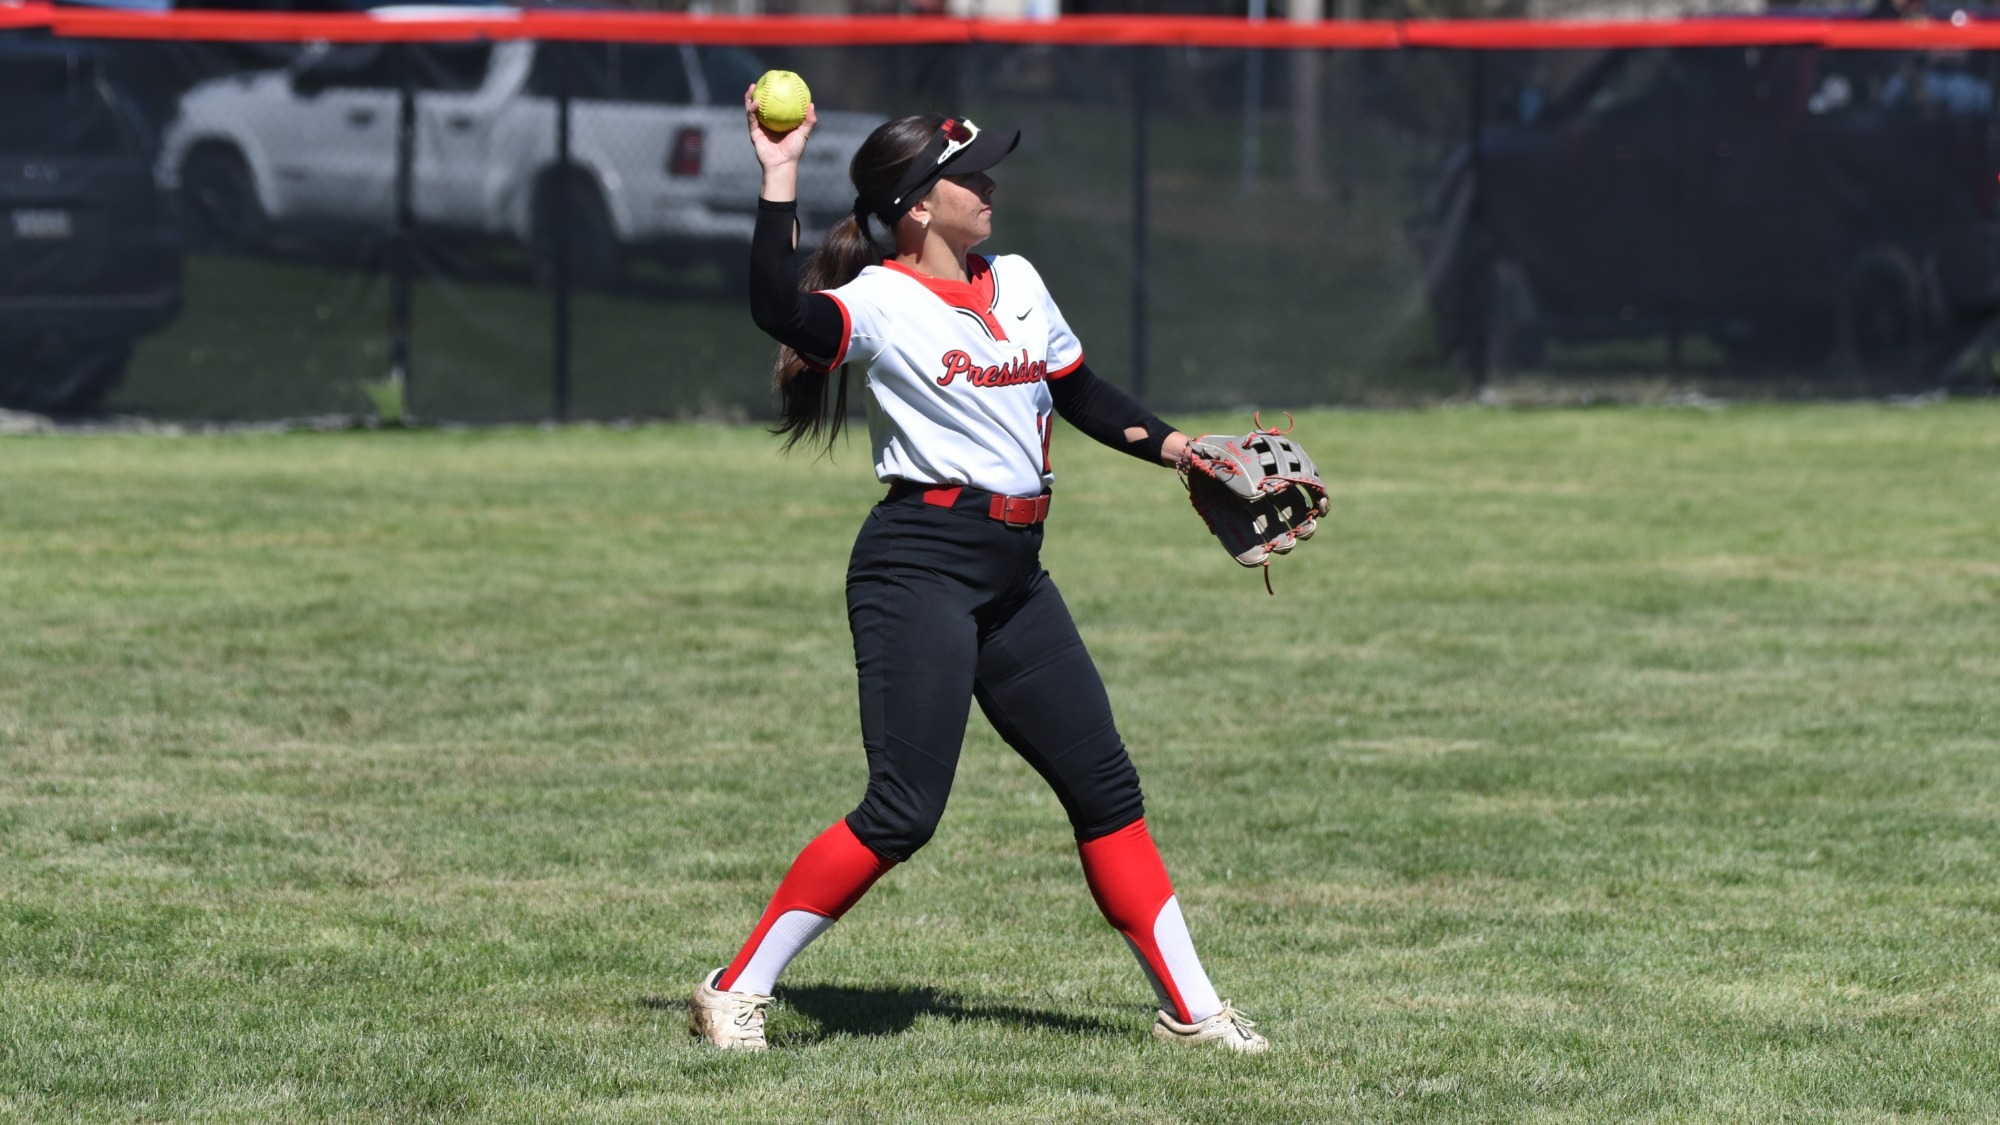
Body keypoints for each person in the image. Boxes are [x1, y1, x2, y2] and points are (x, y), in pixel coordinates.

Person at [685, 92, 1269, 1055]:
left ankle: (1196, 1012)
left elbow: (1077, 390)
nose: (990, 185)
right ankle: (737, 986)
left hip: (1015, 574)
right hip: (919, 565)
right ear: (918, 206)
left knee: (1105, 788)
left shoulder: (1022, 280)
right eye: (971, 175)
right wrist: (778, 172)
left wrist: (1177, 451)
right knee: (903, 810)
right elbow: (776, 308)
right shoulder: (878, 300)